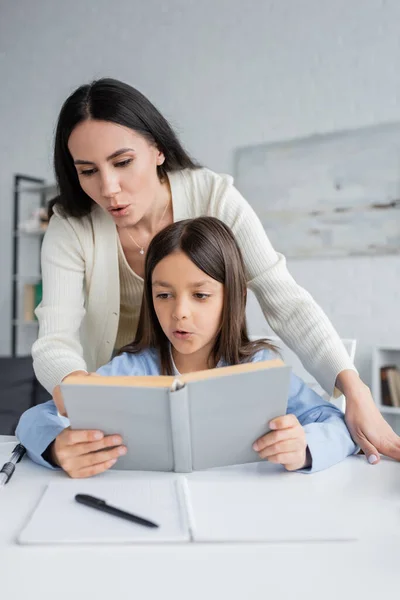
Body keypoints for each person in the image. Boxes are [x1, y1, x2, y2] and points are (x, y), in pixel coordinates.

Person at [32, 77, 400, 465]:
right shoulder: (71, 226)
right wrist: (78, 397)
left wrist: (354, 391)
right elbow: (54, 339)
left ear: (157, 149)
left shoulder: (214, 198)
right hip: (113, 399)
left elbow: (287, 303)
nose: (108, 188)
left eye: (123, 162)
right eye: (87, 170)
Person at [17, 217, 358, 478]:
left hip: (245, 511)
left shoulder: (260, 367)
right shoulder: (129, 368)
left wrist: (305, 449)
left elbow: (338, 424)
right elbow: (36, 418)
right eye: (163, 295)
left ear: (233, 298)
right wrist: (57, 449)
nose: (179, 312)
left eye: (200, 295)